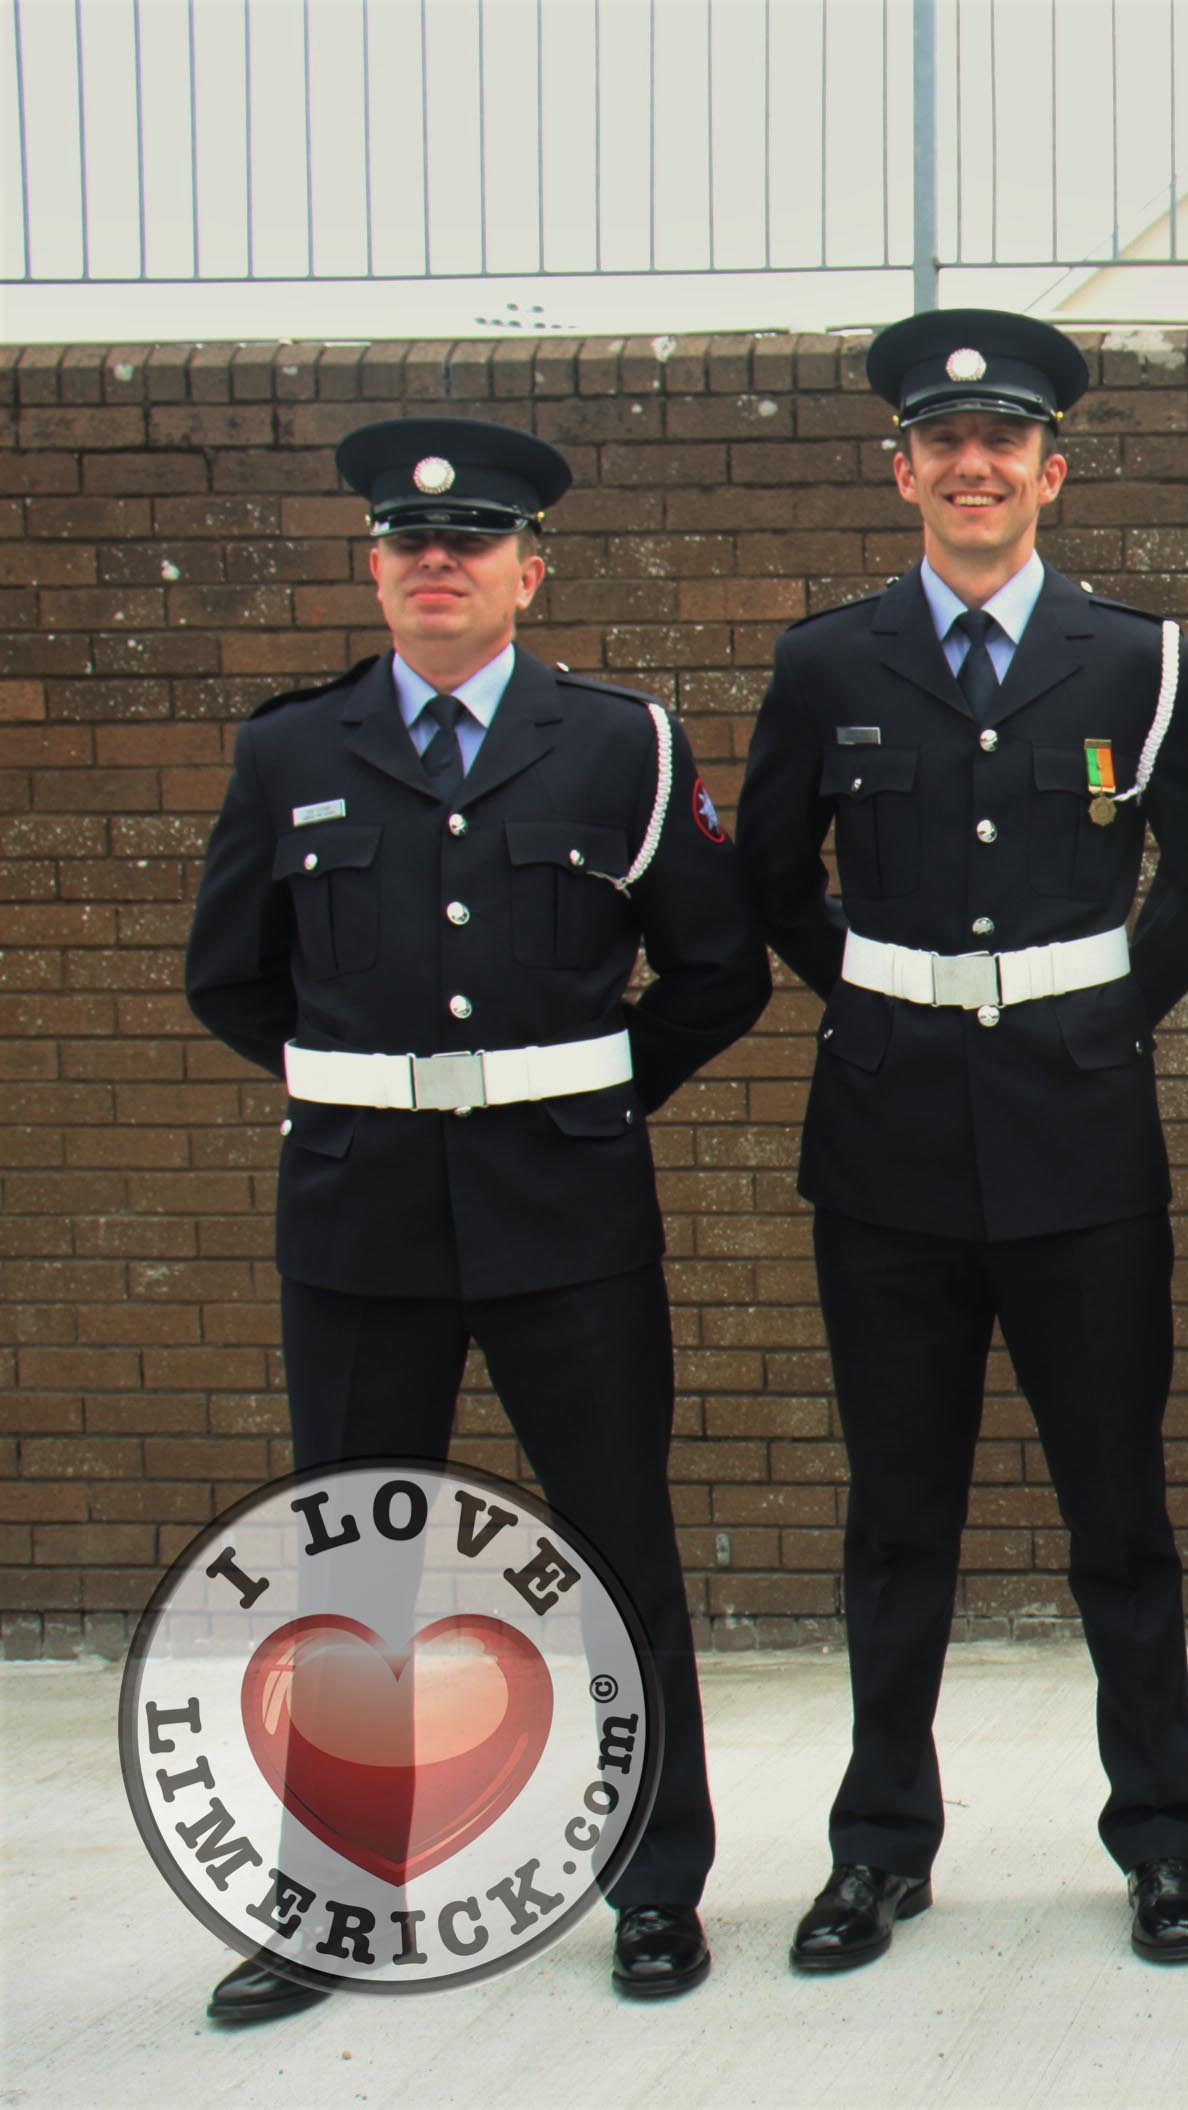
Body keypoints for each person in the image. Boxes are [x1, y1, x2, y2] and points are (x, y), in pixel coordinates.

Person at [183, 416, 767, 2018]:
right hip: (362, 1220)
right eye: (408, 543)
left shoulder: (622, 744)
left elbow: (720, 967)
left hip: (565, 1212)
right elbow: (226, 974)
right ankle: (324, 1901)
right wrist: (374, 1090)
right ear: (375, 567)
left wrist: (579, 1094)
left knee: (613, 1549)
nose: (438, 562)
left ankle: (655, 1883)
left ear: (530, 567)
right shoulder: (290, 752)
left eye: (472, 541)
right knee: (354, 1573)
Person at [736, 309, 1188, 1971]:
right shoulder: (825, 662)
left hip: (1082, 1143)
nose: (973, 465)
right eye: (943, 443)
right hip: (886, 1149)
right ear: (903, 472)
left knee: (1119, 1514)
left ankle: (1162, 1838)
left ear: (1050, 469)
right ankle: (882, 1844)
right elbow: (768, 887)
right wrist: (877, 999)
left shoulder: (1138, 658)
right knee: (898, 1517)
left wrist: (1110, 1011)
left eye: (1002, 440)